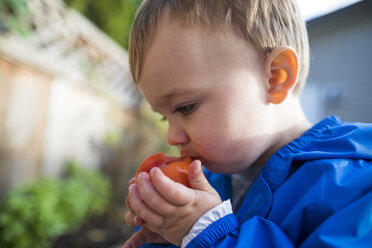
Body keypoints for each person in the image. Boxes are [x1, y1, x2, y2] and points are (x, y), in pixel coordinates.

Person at [123, 0, 372, 247]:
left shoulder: (356, 188)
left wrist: (211, 235)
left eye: (185, 107)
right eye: (165, 116)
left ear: (276, 77)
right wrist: (170, 237)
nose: (172, 137)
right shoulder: (212, 181)